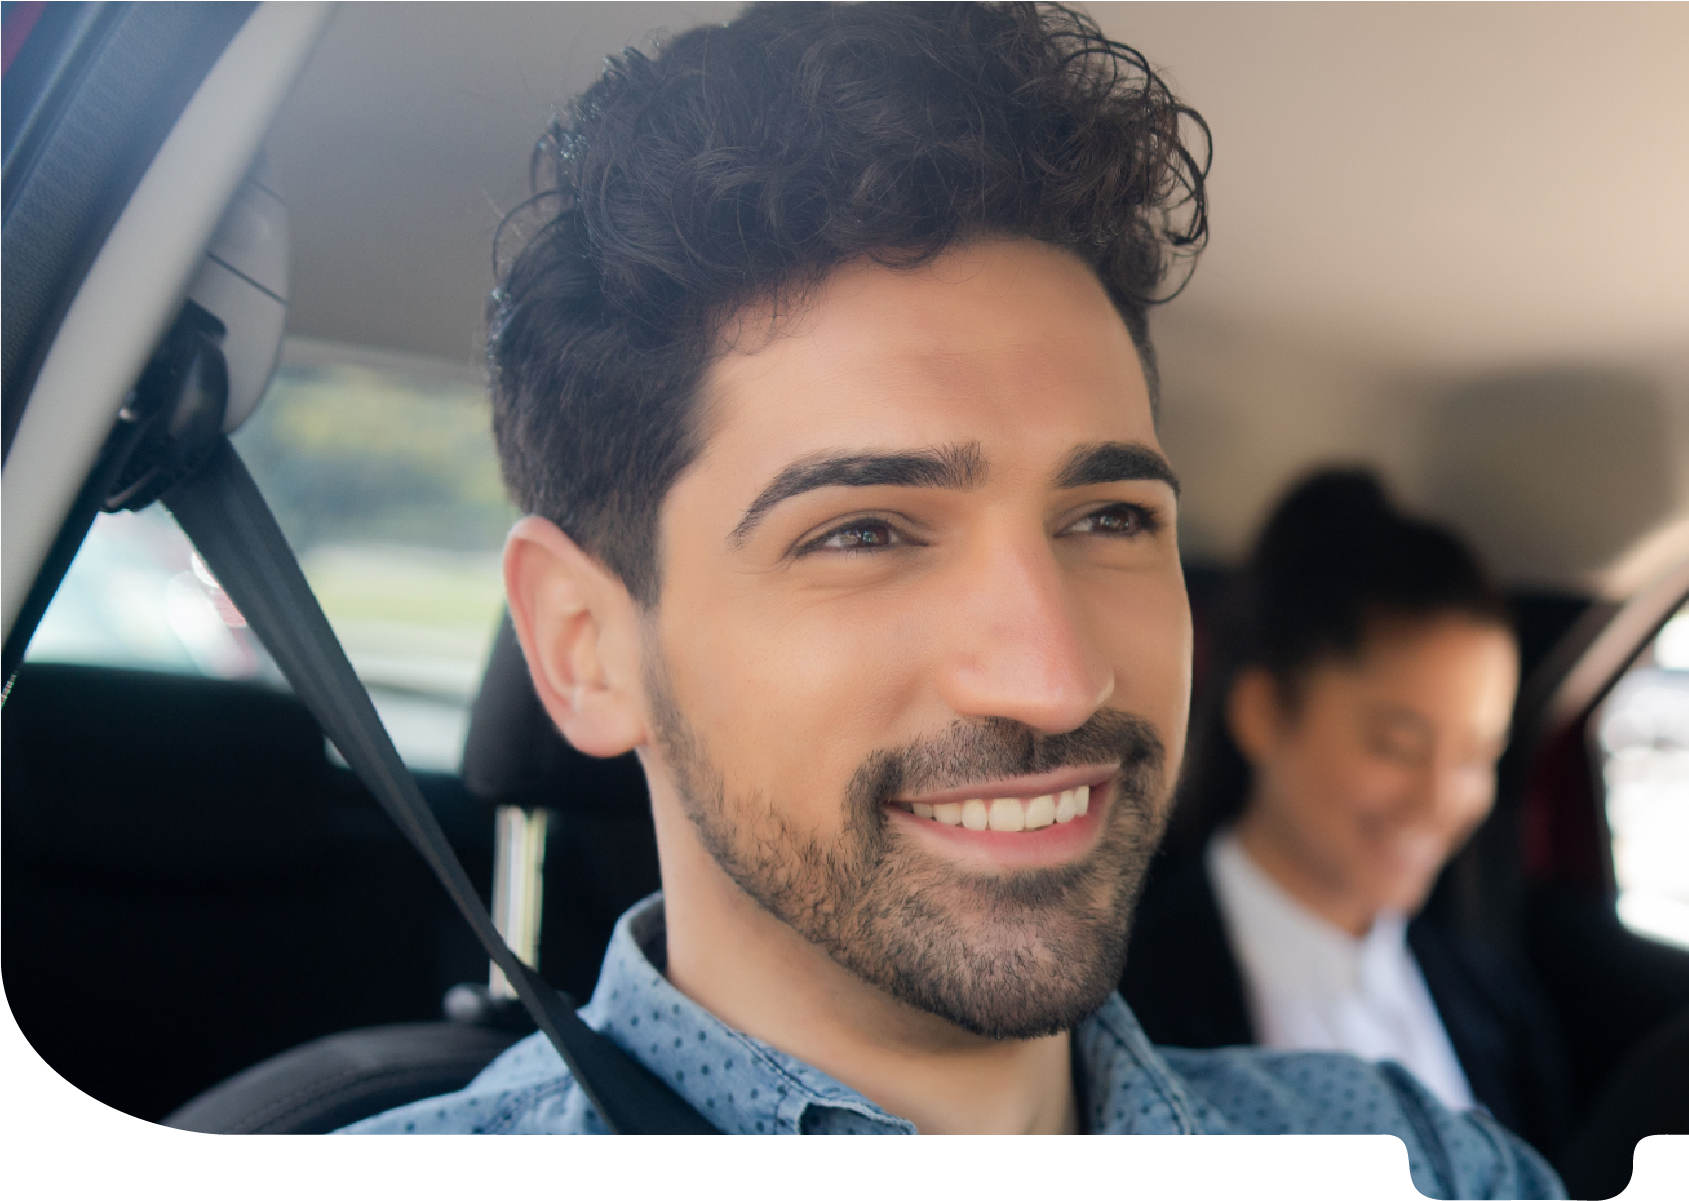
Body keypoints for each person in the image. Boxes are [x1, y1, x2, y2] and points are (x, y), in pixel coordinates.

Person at [338, 5, 1558, 1191]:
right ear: (584, 645)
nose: (1054, 673)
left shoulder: (1427, 1161)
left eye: (1107, 518)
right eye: (865, 530)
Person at [1118, 468, 1573, 1156]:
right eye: (1398, 745)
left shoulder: (1496, 1002)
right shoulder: (1126, 1004)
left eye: (1477, 755)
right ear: (1264, 712)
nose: (1439, 801)